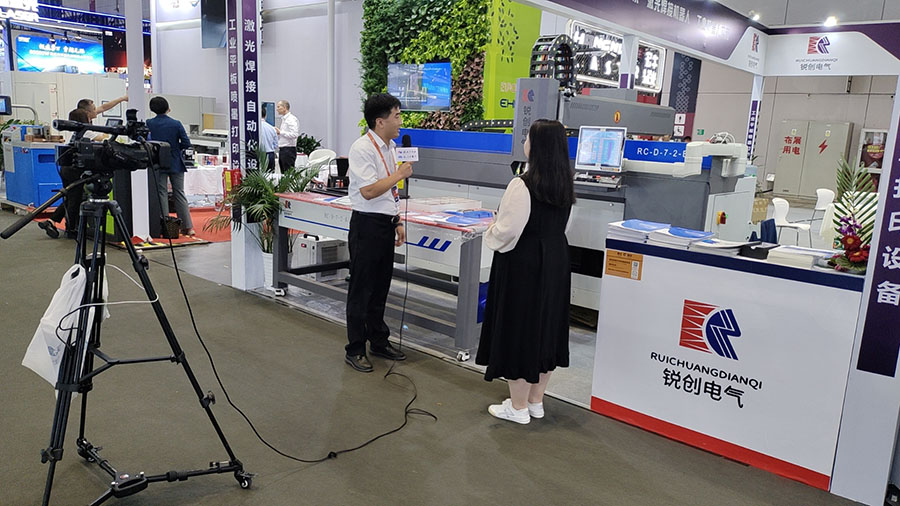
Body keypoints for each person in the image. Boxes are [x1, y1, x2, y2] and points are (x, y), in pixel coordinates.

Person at [475, 118, 575, 424]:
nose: (524, 143)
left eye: (528, 138)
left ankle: (517, 407)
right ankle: (535, 401)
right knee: (546, 328)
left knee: (519, 328)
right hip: (556, 259)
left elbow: (508, 230)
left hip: (524, 263)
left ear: (537, 146)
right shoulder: (565, 182)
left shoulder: (522, 184)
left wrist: (491, 229)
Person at [344, 93, 413, 373]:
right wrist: (399, 174)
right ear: (380, 121)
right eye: (396, 116)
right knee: (362, 288)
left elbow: (389, 192)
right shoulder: (362, 148)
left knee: (381, 286)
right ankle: (355, 348)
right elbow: (369, 191)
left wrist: (397, 220)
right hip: (366, 225)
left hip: (385, 224)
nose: (400, 121)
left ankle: (378, 340)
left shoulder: (391, 147)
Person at [37, 108, 93, 239]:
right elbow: (102, 137)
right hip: (74, 170)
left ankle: (51, 221)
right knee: (75, 199)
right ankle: (71, 229)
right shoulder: (87, 131)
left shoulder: (73, 133)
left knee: (69, 196)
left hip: (65, 168)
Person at [146, 96, 195, 236]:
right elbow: (186, 144)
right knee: (179, 193)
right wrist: (174, 147)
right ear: (168, 108)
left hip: (158, 162)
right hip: (175, 161)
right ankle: (187, 227)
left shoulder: (149, 123)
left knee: (161, 193)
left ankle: (165, 226)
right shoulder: (176, 124)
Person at [274, 100, 299, 171]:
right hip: (283, 149)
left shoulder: (291, 119)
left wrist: (280, 132)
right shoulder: (284, 119)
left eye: (278, 107)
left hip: (288, 149)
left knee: (288, 173)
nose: (277, 109)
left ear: (284, 108)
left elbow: (295, 134)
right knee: (283, 173)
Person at [259, 107, 278, 172]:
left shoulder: (254, 128)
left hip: (257, 154)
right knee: (270, 176)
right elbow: (276, 145)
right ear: (265, 115)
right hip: (270, 154)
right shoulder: (272, 128)